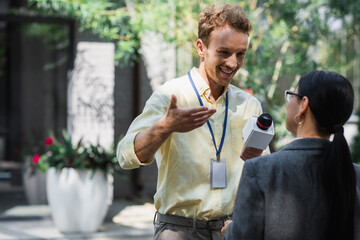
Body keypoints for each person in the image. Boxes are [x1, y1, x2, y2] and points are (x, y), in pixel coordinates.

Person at [117, 3, 266, 240]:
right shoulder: (170, 95)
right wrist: (165, 127)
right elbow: (125, 156)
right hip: (179, 230)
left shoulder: (249, 105)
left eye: (240, 54)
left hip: (234, 230)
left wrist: (258, 160)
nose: (233, 63)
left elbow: (264, 174)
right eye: (224, 52)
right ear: (201, 47)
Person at [222, 70, 360, 239]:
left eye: (291, 95)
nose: (288, 103)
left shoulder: (259, 171)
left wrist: (229, 230)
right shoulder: (354, 175)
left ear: (303, 105)